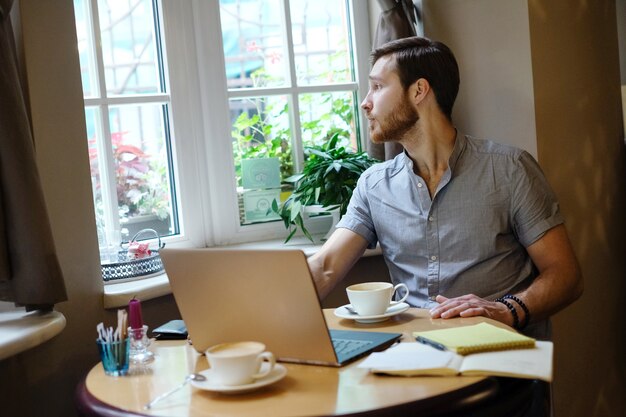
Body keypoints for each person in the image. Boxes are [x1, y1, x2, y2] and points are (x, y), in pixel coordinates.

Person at [308, 36, 583, 339]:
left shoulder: (510, 169)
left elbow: (566, 275)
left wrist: (505, 311)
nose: (365, 102)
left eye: (377, 87)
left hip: (500, 359)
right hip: (413, 358)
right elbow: (324, 267)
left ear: (418, 91)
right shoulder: (374, 186)